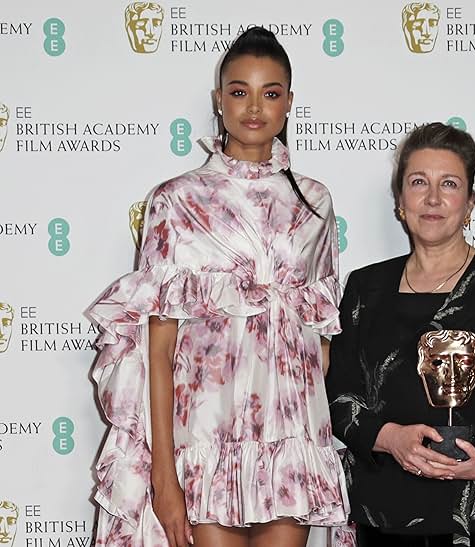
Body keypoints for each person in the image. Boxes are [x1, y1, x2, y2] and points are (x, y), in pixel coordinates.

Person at [87, 27, 347, 547]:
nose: (255, 107)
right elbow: (157, 351)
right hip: (203, 437)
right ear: (218, 99)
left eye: (271, 93)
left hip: (290, 439)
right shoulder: (176, 201)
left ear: (290, 103)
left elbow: (320, 343)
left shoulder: (314, 204)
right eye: (239, 91)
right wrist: (164, 477)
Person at [326, 122, 475, 546]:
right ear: (400, 200)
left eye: (449, 184)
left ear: (470, 201)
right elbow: (338, 394)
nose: (433, 199)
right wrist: (389, 438)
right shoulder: (366, 288)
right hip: (386, 513)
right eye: (418, 182)